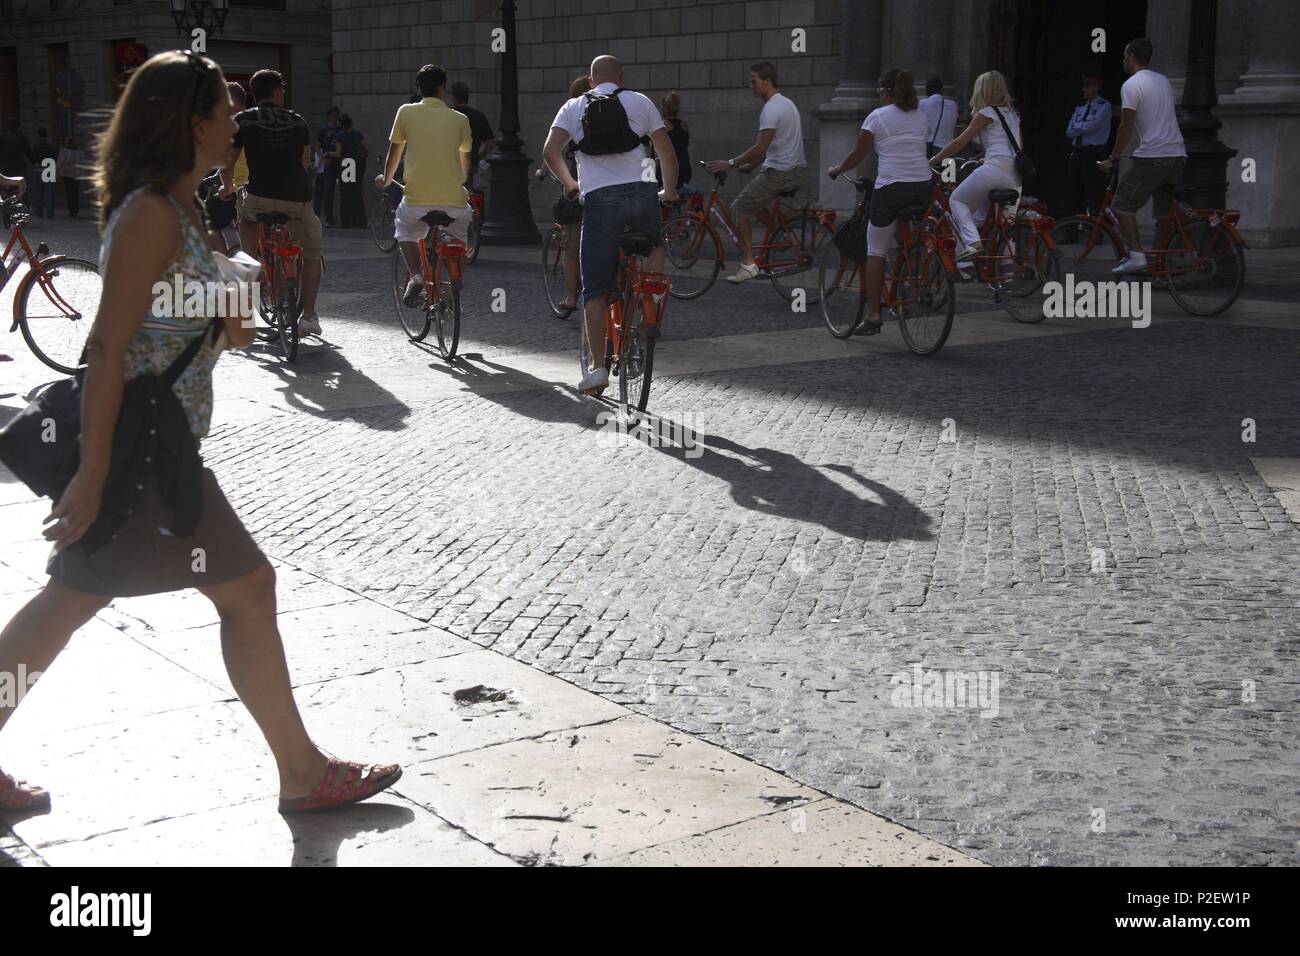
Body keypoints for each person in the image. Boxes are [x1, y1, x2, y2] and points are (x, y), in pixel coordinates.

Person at [0, 51, 400, 815]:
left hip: (161, 442)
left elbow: (206, 327)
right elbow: (109, 346)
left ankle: (302, 770)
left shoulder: (185, 209)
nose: (233, 126)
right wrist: (92, 473)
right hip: (144, 449)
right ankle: (303, 772)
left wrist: (230, 303)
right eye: (224, 114)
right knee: (245, 589)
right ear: (192, 124)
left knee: (71, 602)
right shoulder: (151, 213)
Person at [543, 55, 677, 393]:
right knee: (655, 244)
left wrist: (571, 183)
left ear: (590, 81)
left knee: (596, 288)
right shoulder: (640, 101)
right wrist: (669, 190)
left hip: (599, 200)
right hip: (642, 193)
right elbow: (666, 152)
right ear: (621, 77)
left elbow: (550, 151)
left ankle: (598, 367)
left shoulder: (573, 107)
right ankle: (652, 298)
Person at [827, 67, 933, 335]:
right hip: (922, 186)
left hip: (891, 189)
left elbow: (858, 154)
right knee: (904, 234)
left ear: (885, 91)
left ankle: (874, 315)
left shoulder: (876, 116)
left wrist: (838, 169)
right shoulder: (921, 115)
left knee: (874, 251)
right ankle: (912, 272)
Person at [221, 69, 326, 336]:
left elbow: (228, 162)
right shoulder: (298, 121)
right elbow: (304, 165)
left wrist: (226, 188)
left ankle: (248, 268)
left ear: (254, 94)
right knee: (312, 252)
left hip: (257, 197)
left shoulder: (243, 120)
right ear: (278, 92)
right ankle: (310, 316)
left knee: (246, 226)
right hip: (297, 200)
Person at [374, 65, 474, 308]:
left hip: (417, 200)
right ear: (443, 88)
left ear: (419, 89)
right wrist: (458, 179)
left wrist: (386, 181)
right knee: (458, 237)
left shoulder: (406, 112)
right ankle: (455, 280)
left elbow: (394, 155)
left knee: (405, 230)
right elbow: (465, 161)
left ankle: (417, 275)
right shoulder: (460, 118)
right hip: (454, 201)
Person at [704, 61, 806, 284]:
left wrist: (730, 163)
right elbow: (772, 146)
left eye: (754, 82)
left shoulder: (771, 109)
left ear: (767, 82)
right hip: (793, 170)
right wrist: (749, 165)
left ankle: (748, 264)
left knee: (739, 208)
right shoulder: (787, 104)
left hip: (780, 173)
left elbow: (760, 147)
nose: (751, 86)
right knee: (754, 201)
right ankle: (780, 235)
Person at [1099, 38, 1187, 274]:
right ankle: (1163, 263)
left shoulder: (1132, 85)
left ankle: (1137, 256)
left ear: (1132, 56)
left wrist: (1113, 158)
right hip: (1177, 154)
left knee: (1121, 206)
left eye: (1124, 55)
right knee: (1163, 214)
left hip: (1153, 156)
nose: (1123, 60)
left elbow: (1125, 127)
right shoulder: (1163, 80)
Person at [930, 70, 1024, 264]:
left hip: (994, 170)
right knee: (1007, 225)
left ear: (983, 90)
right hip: (1014, 174)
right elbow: (1017, 147)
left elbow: (958, 143)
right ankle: (1003, 276)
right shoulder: (1013, 115)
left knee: (958, 202)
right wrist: (985, 157)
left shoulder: (986, 113)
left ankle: (973, 245)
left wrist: (933, 160)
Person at [1064, 75, 1111, 215]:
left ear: (1095, 87)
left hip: (1093, 153)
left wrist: (1078, 127)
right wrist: (1082, 127)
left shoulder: (1104, 105)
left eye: (1087, 86)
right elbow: (1068, 131)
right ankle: (1071, 229)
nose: (1083, 90)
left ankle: (1094, 230)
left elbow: (1093, 125)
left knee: (1093, 192)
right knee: (1073, 192)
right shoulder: (1080, 107)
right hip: (1077, 152)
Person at [450, 82, 496, 188]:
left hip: (452, 164)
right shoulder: (478, 116)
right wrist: (478, 156)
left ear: (454, 97)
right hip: (471, 162)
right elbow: (491, 144)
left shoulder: (449, 116)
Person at [656, 91, 694, 193]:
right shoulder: (684, 125)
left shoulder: (664, 125)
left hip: (669, 170)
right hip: (685, 169)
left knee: (647, 180)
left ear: (664, 109)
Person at [337, 113, 367, 228]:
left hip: (345, 167)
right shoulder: (357, 134)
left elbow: (338, 153)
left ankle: (345, 222)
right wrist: (362, 158)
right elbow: (366, 148)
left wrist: (329, 153)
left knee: (345, 195)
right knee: (357, 194)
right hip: (356, 165)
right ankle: (360, 221)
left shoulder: (340, 136)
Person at [919, 78, 958, 158]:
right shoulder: (953, 105)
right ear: (942, 90)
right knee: (948, 171)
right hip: (948, 150)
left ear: (926, 92)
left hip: (929, 149)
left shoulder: (921, 104)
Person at [316, 106, 341, 226]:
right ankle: (329, 219)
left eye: (336, 115)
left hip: (342, 164)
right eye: (332, 115)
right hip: (329, 164)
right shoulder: (323, 130)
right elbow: (316, 146)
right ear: (328, 116)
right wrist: (322, 159)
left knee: (345, 190)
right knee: (328, 192)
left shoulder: (341, 129)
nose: (334, 117)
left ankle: (344, 218)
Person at [29, 129, 58, 218]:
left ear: (38, 135)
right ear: (46, 135)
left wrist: (35, 163)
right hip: (49, 169)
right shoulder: (51, 145)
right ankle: (50, 214)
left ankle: (39, 213)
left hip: (39, 169)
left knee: (38, 192)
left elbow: (31, 156)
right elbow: (55, 156)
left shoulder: (35, 145)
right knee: (49, 193)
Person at [56, 137, 86, 219]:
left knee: (69, 193)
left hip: (67, 174)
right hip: (77, 175)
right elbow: (83, 164)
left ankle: (71, 211)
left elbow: (60, 163)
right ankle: (75, 211)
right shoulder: (80, 153)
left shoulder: (64, 151)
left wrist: (57, 174)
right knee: (75, 193)